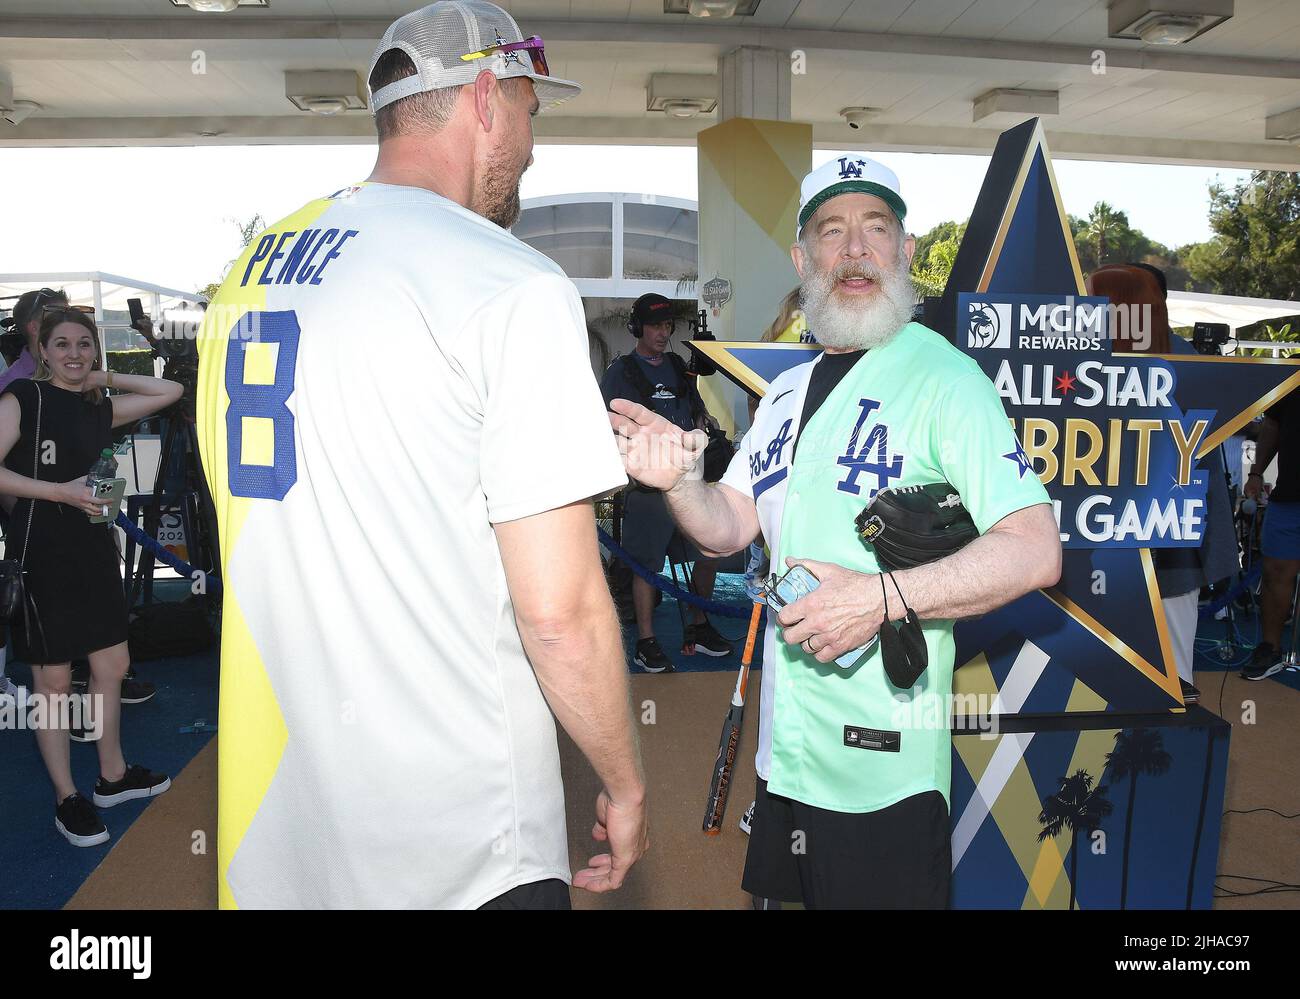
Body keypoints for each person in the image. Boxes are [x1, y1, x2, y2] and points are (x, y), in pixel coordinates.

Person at [195, 0, 647, 910]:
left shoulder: (249, 274)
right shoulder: (506, 281)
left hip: (280, 830)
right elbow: (558, 614)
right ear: (485, 98)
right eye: (528, 110)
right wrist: (625, 781)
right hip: (460, 847)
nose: (530, 145)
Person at [610, 156, 1062, 908]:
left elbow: (1035, 548)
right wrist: (682, 486)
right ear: (803, 259)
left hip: (884, 770)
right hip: (788, 753)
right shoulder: (783, 392)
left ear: (906, 252)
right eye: (832, 231)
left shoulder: (949, 382)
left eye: (875, 229)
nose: (855, 251)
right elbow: (727, 528)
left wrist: (880, 598)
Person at [0, 308, 182, 847]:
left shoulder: (97, 406)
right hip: (42, 554)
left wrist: (98, 378)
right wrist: (58, 491)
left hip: (93, 552)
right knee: (54, 685)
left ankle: (113, 777)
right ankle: (66, 797)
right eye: (62, 345)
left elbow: (166, 390)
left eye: (84, 345)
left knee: (113, 666)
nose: (74, 354)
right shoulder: (23, 400)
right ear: (42, 349)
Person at [1086, 263, 1238, 701]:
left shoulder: (1184, 363)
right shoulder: (1080, 360)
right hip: (1101, 544)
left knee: (1172, 677)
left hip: (1167, 547)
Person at [599, 293, 733, 673]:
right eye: (655, 325)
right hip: (646, 488)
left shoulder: (677, 365)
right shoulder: (621, 372)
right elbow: (606, 422)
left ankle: (700, 624)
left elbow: (694, 410)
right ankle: (646, 640)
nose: (663, 332)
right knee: (646, 566)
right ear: (637, 328)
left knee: (709, 552)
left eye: (667, 325)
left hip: (690, 481)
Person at [1243, 387, 1300, 680]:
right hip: (1289, 496)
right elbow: (1273, 424)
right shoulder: (1293, 371)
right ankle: (1270, 648)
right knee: (1275, 572)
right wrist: (1256, 472)